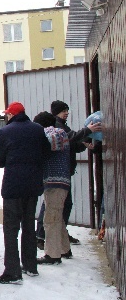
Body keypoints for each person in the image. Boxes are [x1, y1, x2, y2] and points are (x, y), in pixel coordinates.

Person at [0, 102, 50, 284]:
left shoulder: (5, 132)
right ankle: (30, 266)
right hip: (32, 186)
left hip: (13, 187)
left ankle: (12, 272)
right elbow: (46, 153)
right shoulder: (38, 130)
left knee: (10, 228)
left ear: (11, 115)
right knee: (29, 226)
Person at [36, 100, 101, 250]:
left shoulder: (59, 128)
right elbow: (69, 138)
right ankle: (44, 237)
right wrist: (88, 131)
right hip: (57, 178)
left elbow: (71, 142)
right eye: (63, 110)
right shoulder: (57, 128)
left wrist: (84, 141)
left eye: (67, 110)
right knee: (53, 208)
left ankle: (56, 240)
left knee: (57, 208)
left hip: (58, 177)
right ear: (55, 113)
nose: (66, 113)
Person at [32, 111, 71, 265]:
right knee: (57, 217)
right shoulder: (59, 133)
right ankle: (64, 249)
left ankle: (52, 255)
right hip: (55, 183)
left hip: (57, 183)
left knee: (50, 219)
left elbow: (49, 140)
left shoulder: (57, 133)